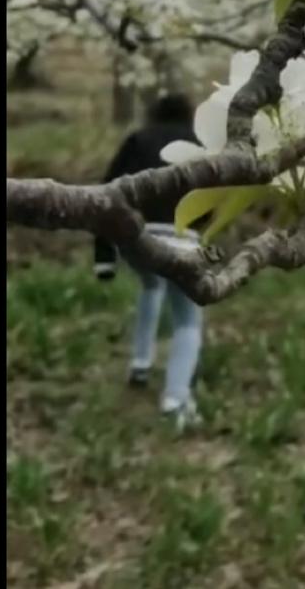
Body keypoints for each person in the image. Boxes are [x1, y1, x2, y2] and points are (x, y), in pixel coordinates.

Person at [92, 93, 207, 430]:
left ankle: (140, 363)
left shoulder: (138, 139)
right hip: (183, 240)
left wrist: (104, 257)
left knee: (150, 284)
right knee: (188, 321)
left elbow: (106, 192)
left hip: (138, 237)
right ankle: (175, 399)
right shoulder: (201, 144)